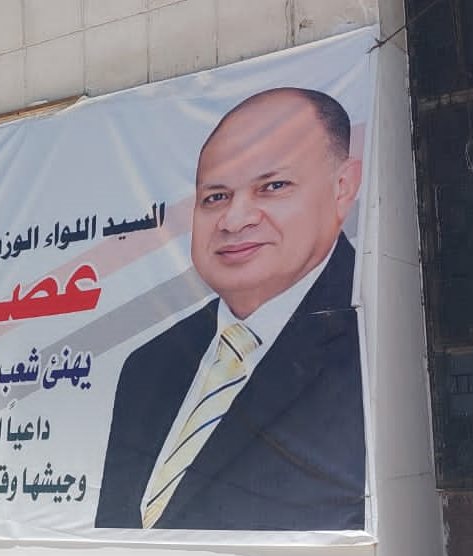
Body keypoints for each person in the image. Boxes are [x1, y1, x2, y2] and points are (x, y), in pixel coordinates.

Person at [95, 87, 366, 531]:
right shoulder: (149, 365)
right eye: (216, 197)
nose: (235, 220)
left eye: (273, 187)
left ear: (343, 187)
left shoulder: (371, 340)